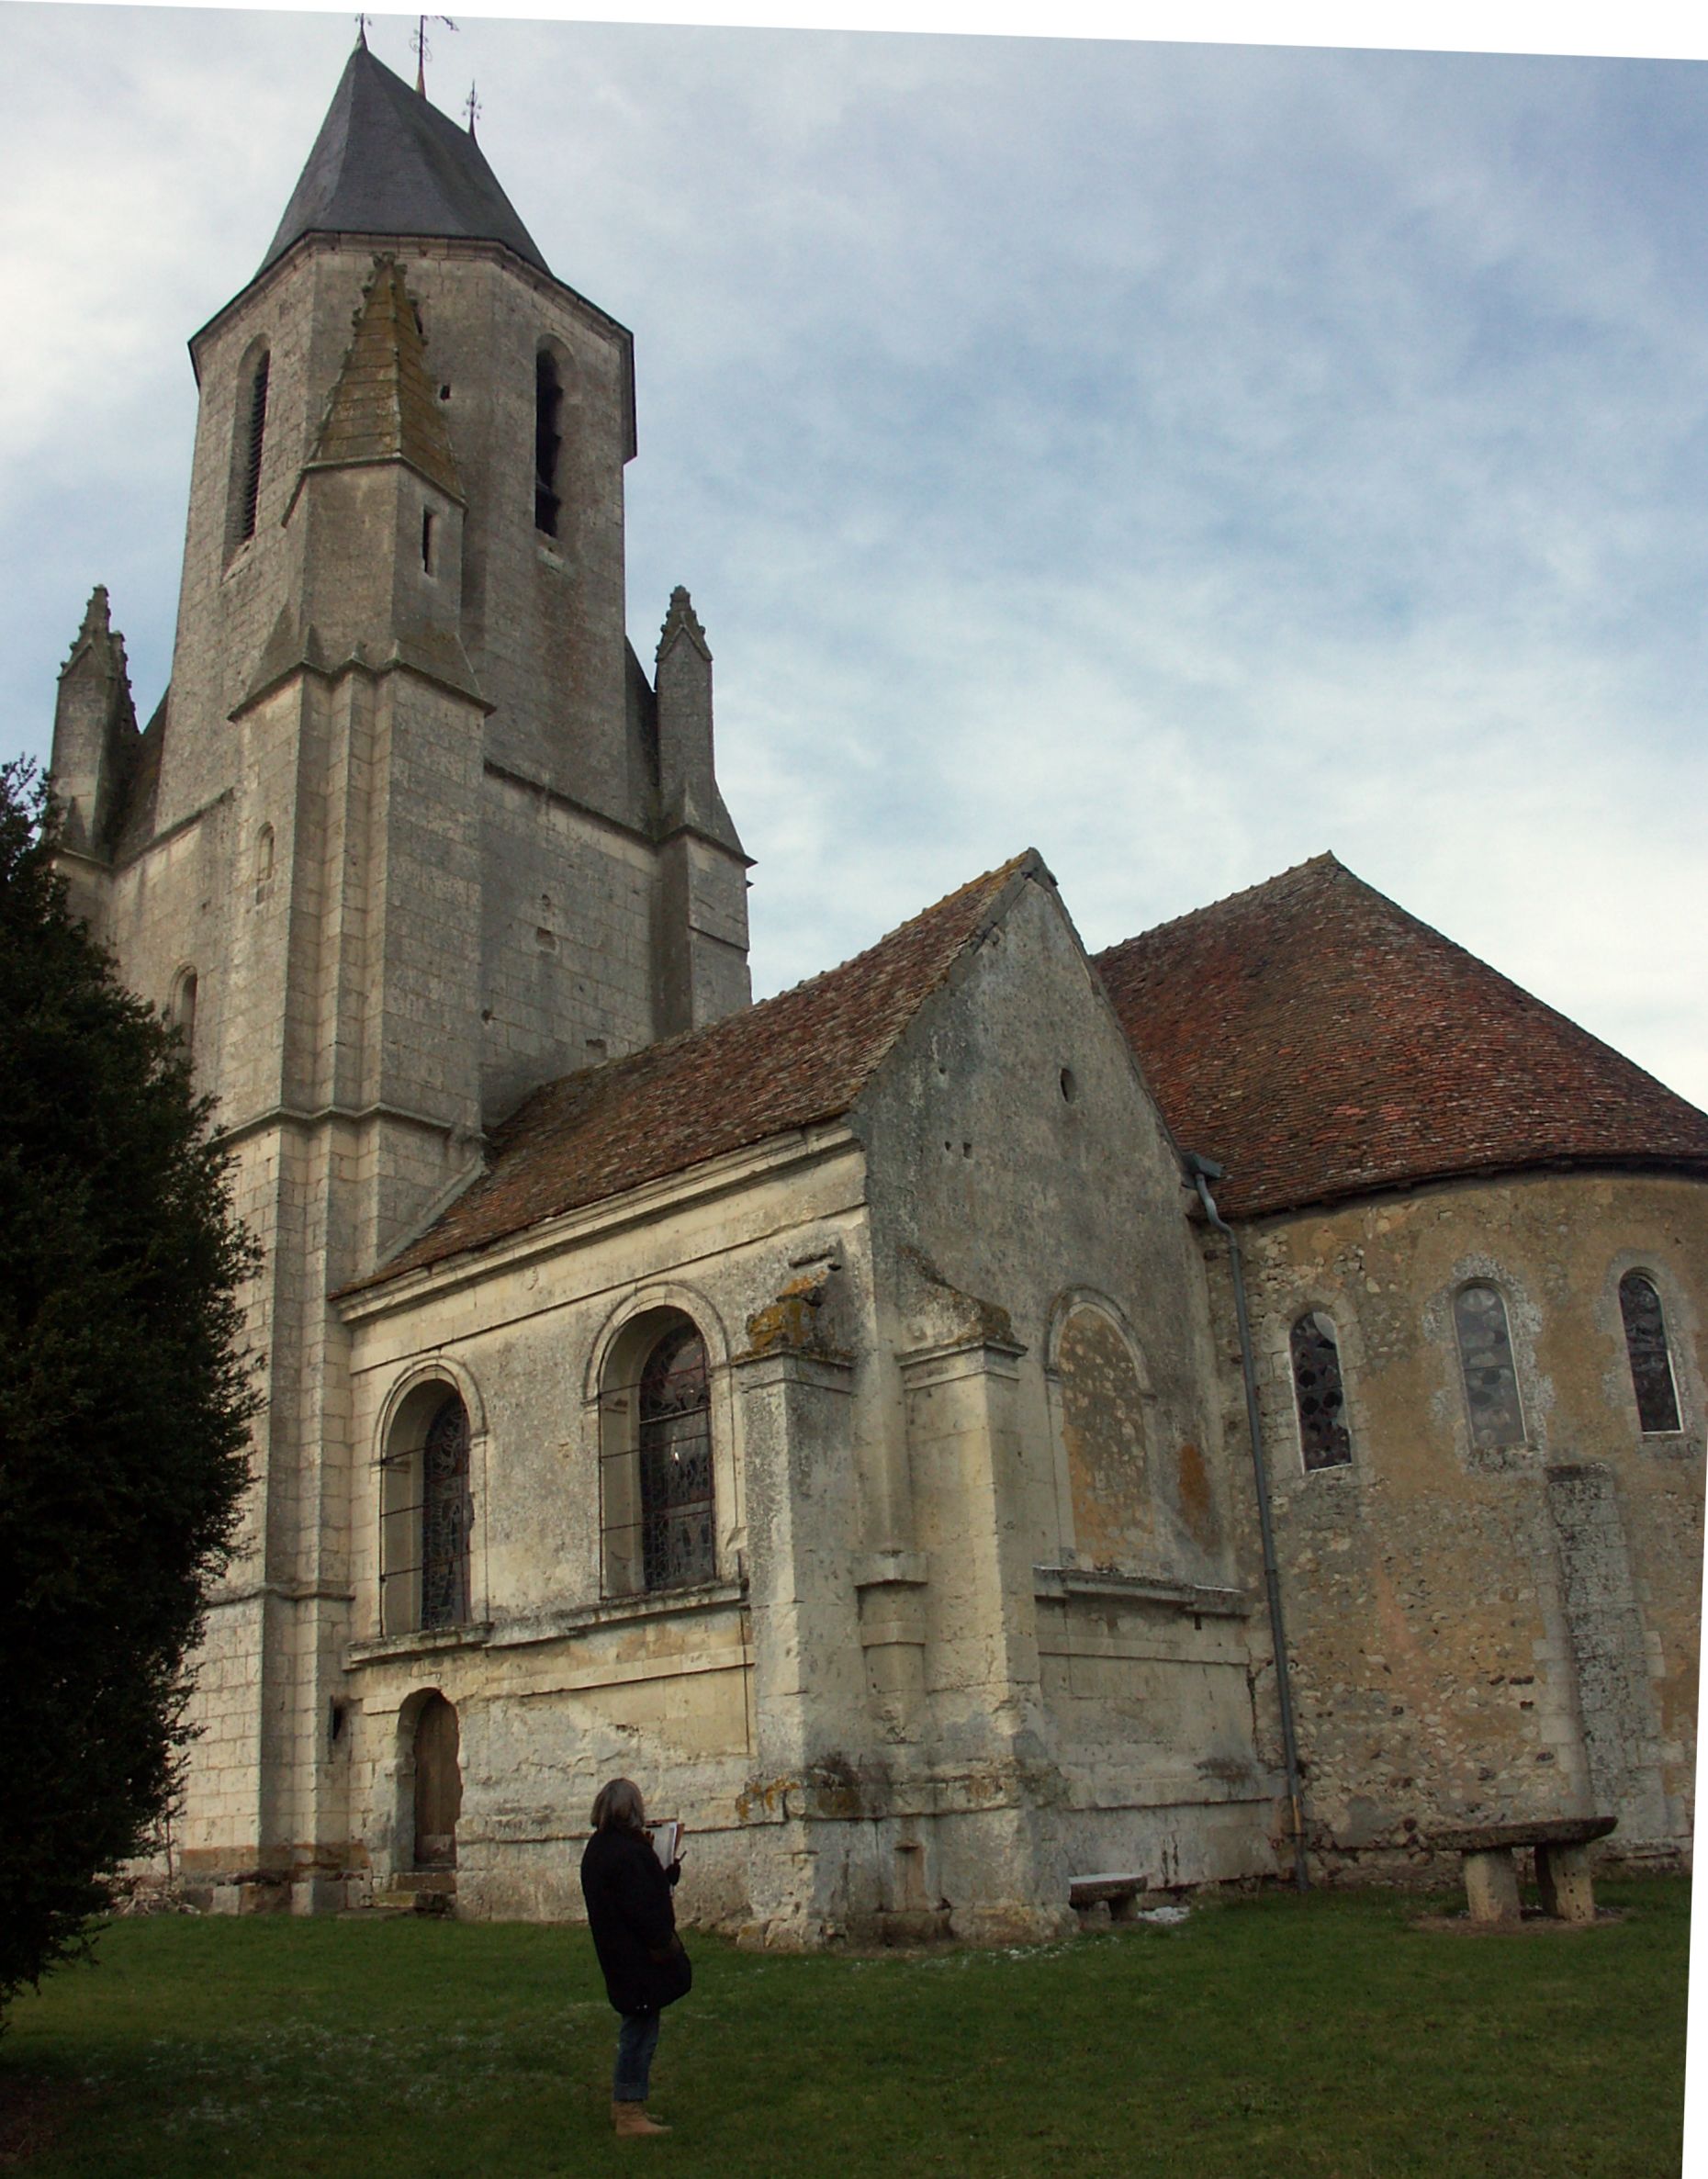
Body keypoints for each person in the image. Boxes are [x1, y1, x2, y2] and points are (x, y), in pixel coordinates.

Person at [579, 1778, 691, 2138]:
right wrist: (665, 1944)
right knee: (639, 2032)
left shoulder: (599, 1849)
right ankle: (629, 2110)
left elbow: (632, 1894)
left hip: (616, 1952)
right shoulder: (628, 1853)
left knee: (637, 2026)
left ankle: (625, 2105)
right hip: (636, 1956)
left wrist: (661, 1876)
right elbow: (645, 1909)